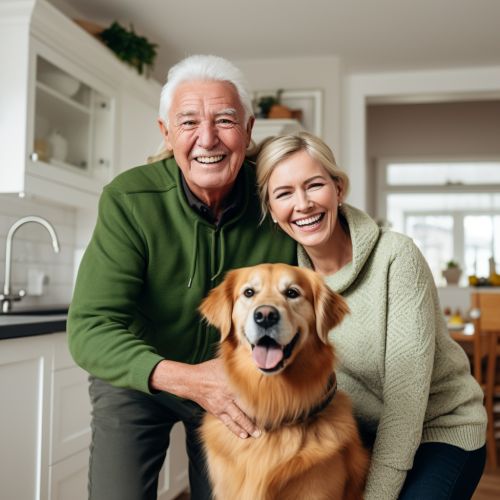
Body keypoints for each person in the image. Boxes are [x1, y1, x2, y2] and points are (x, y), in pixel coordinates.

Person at [67, 55, 296, 500]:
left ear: (248, 130)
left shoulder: (276, 198)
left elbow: (329, 224)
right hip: (138, 375)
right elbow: (89, 327)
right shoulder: (129, 199)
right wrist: (186, 379)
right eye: (188, 121)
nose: (206, 138)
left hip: (239, 384)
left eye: (225, 120)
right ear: (166, 133)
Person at [255, 131, 487, 500]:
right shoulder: (284, 284)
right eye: (284, 193)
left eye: (314, 185)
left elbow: (406, 404)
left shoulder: (397, 257)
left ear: (338, 189)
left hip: (437, 430)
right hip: (355, 434)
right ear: (271, 209)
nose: (303, 204)